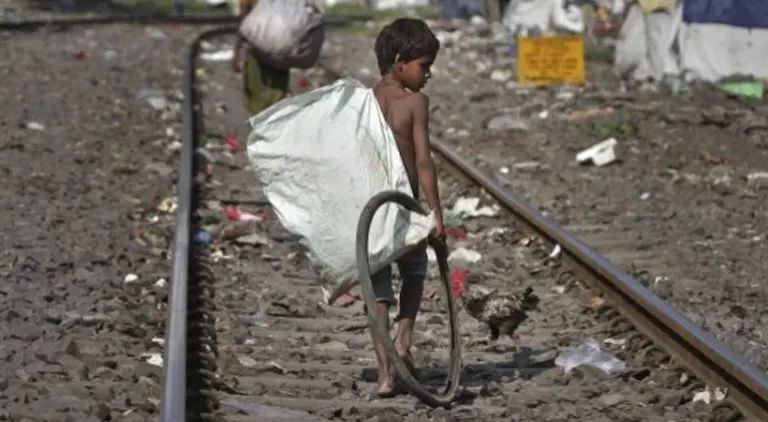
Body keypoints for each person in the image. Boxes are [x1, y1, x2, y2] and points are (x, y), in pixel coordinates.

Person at [369, 18, 446, 398]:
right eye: (424, 66)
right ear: (400, 62)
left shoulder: (365, 100)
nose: (428, 75)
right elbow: (423, 162)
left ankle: (385, 375)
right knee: (414, 271)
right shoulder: (414, 102)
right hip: (402, 208)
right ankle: (403, 342)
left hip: (368, 212)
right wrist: (436, 213)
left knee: (377, 292)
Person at [232, 0, 290, 115]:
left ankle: (262, 123)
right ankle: (273, 122)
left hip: (258, 47)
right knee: (278, 89)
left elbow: (244, 22)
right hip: (282, 45)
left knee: (256, 90)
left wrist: (237, 52)